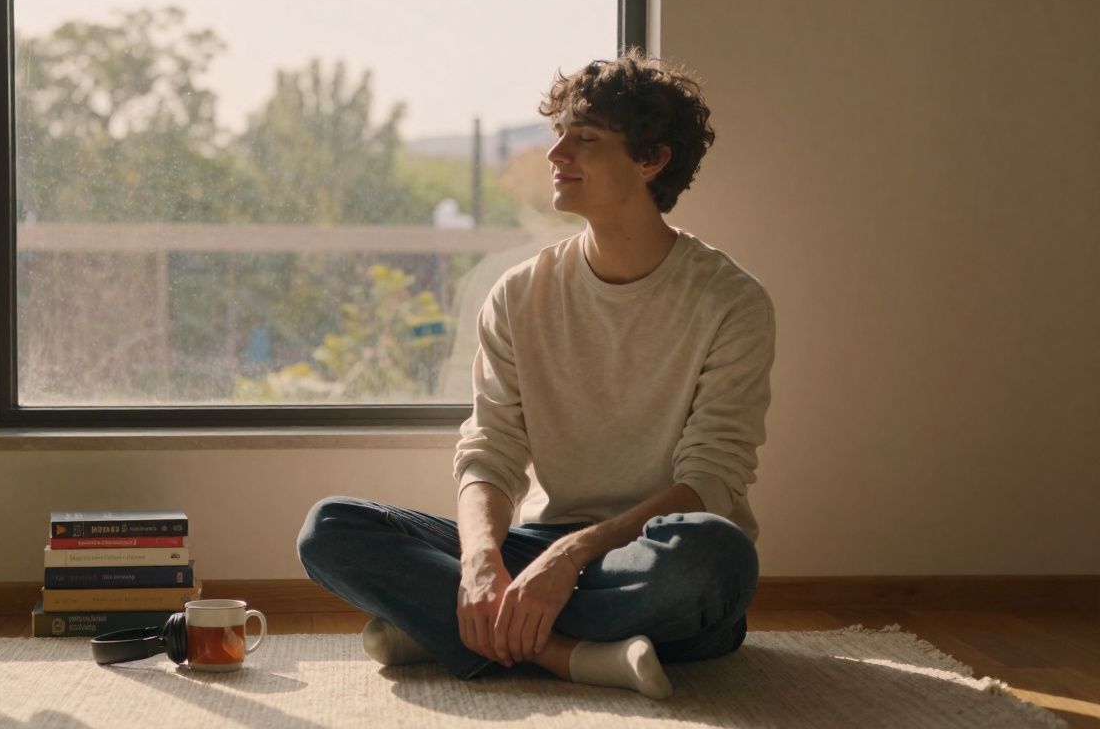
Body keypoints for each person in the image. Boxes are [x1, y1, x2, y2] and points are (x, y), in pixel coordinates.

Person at [297, 48, 775, 700]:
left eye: (585, 138)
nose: (555, 154)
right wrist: (480, 562)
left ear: (652, 159)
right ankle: (565, 653)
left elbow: (709, 481)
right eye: (559, 134)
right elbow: (490, 451)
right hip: (539, 545)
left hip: (649, 554)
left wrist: (571, 556)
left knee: (716, 560)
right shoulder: (519, 294)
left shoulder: (731, 302)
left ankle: (455, 632)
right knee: (331, 529)